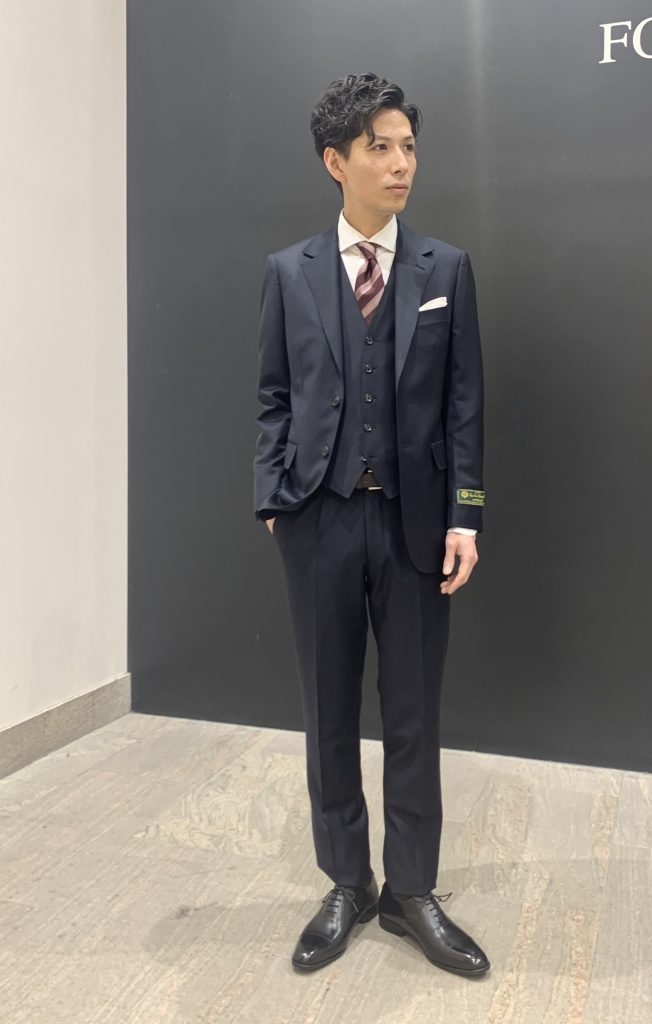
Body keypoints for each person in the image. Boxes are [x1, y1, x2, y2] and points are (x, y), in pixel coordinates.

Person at [252, 72, 488, 976]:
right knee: (328, 711)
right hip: (317, 520)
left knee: (414, 712)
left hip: (415, 522)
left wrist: (466, 516)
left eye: (408, 147)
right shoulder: (289, 273)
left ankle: (411, 890)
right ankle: (347, 881)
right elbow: (274, 395)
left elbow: (465, 405)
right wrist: (274, 495)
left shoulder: (445, 269)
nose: (400, 164)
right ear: (335, 161)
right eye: (379, 147)